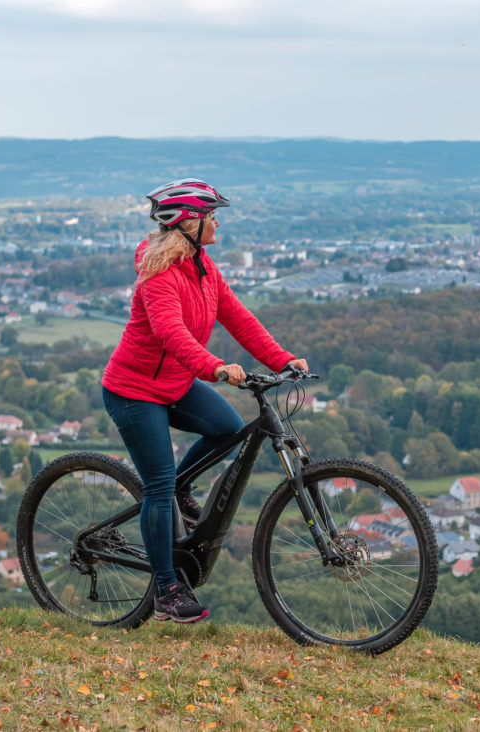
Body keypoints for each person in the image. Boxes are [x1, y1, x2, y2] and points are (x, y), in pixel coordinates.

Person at [101, 178, 308, 624]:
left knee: (229, 429)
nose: (216, 222)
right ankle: (166, 590)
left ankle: (178, 488)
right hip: (133, 391)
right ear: (188, 224)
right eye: (210, 215)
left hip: (175, 384)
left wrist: (283, 359)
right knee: (157, 487)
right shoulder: (157, 276)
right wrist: (214, 367)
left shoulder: (204, 268)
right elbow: (170, 334)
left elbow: (239, 318)